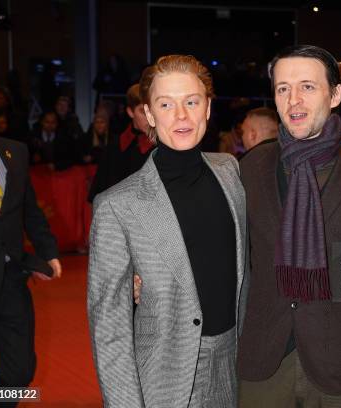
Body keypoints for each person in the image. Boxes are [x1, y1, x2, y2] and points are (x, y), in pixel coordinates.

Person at [87, 55, 248, 408]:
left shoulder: (230, 172)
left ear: (207, 108)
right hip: (163, 378)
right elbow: (109, 328)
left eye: (191, 101)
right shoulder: (117, 205)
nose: (181, 115)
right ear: (148, 114)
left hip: (233, 367)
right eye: (166, 104)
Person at [237, 45, 341, 407]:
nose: (293, 100)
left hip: (340, 364)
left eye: (308, 87)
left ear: (335, 94)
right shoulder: (251, 168)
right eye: (283, 88)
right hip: (264, 362)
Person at [0, 79, 62, 396]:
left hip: (11, 282)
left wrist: (48, 252)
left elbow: (30, 211)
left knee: (21, 374)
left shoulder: (15, 152)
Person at [87, 84, 153, 202]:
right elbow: (99, 193)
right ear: (130, 112)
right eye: (143, 111)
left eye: (152, 110)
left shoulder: (162, 146)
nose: (150, 117)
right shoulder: (114, 146)